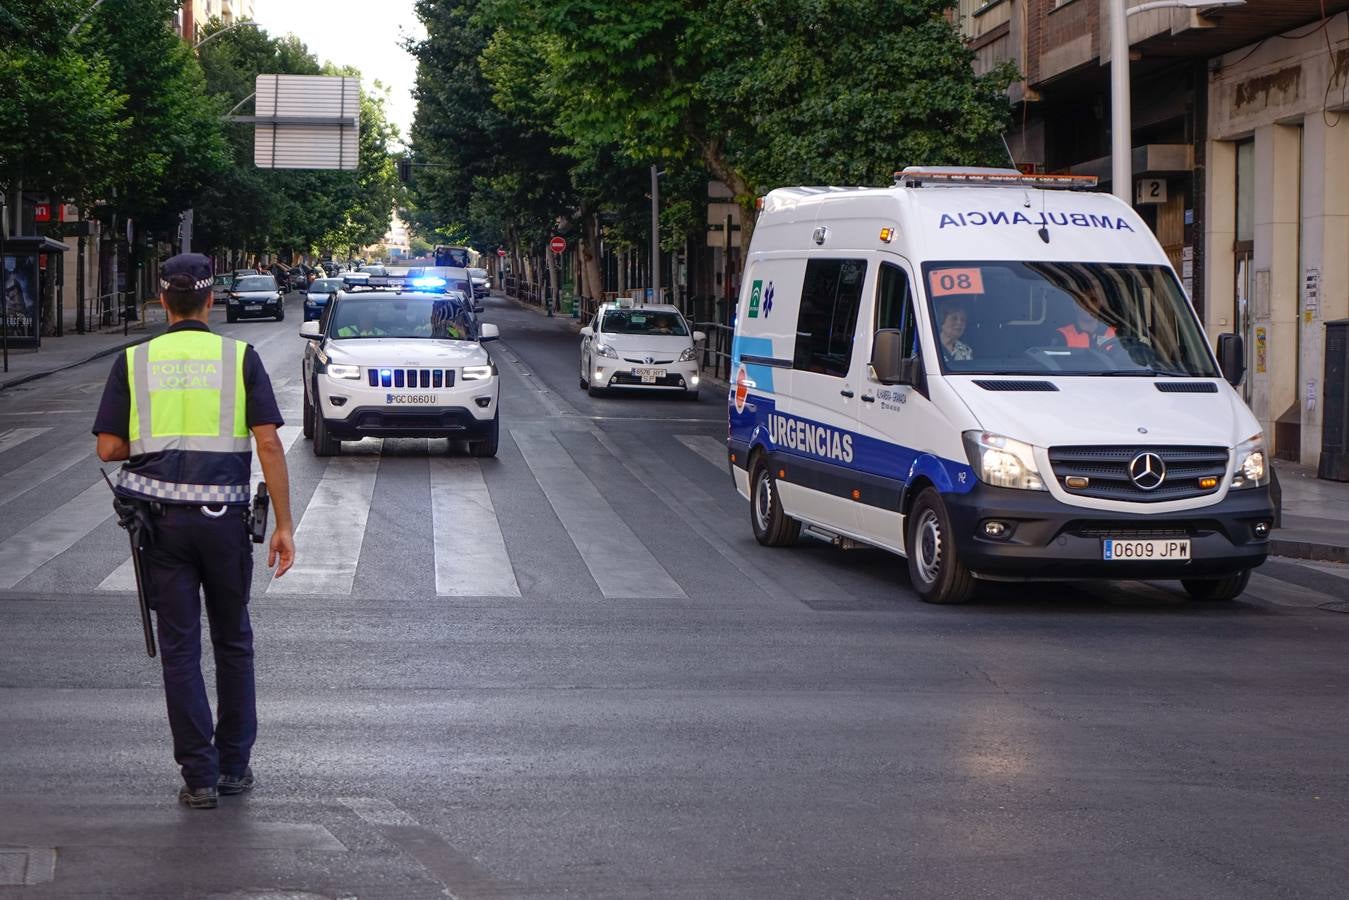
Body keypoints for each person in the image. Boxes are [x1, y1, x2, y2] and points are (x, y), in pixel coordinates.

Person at [92, 253, 295, 810]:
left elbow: (108, 448)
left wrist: (158, 443)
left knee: (180, 650)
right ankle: (234, 768)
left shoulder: (133, 361)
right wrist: (283, 526)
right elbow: (270, 443)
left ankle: (200, 778)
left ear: (163, 301)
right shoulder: (239, 358)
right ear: (212, 300)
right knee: (233, 643)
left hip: (161, 530)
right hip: (225, 526)